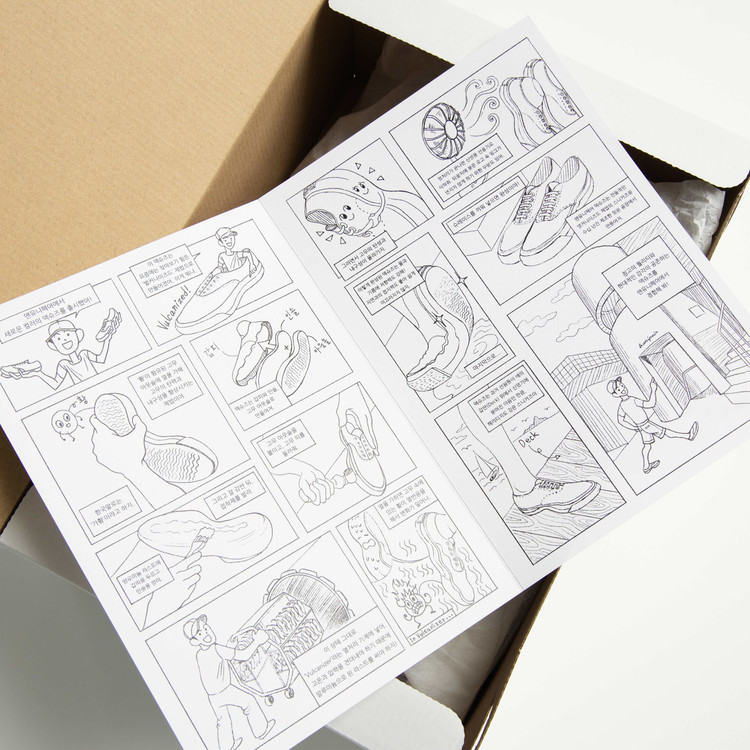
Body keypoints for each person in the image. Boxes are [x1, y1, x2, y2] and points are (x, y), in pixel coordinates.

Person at [183, 615, 275, 749]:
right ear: (195, 642)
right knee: (249, 702)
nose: (207, 633)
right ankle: (261, 730)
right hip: (224, 690)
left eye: (206, 628)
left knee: (222, 721)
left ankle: (226, 747)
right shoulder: (216, 648)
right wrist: (258, 641)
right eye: (200, 633)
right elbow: (243, 655)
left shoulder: (200, 654)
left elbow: (219, 659)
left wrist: (230, 647)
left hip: (213, 697)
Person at [607, 376, 698, 473]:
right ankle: (688, 436)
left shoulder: (622, 406)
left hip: (642, 426)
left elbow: (621, 420)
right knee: (666, 432)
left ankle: (646, 466)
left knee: (647, 446)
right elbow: (650, 404)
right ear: (616, 395)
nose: (623, 388)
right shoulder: (632, 400)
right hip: (646, 425)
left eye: (622, 385)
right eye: (619, 389)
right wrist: (653, 390)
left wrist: (634, 427)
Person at [11, 315, 118, 389]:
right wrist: (37, 373)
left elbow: (101, 359)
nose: (65, 340)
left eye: (68, 334)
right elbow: (55, 384)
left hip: (101, 384)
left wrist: (107, 340)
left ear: (78, 336)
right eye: (58, 339)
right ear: (54, 346)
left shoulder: (84, 354)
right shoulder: (64, 364)